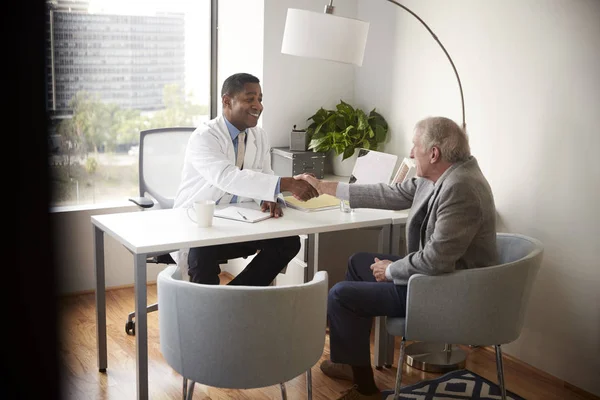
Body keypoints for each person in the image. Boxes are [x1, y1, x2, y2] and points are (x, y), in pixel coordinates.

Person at [295, 116, 497, 399]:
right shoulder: (442, 175)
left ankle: (365, 389)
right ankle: (348, 362)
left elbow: (436, 261)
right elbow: (391, 194)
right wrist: (325, 187)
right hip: (437, 276)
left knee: (342, 296)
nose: (411, 154)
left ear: (434, 153)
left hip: (448, 290)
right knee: (358, 261)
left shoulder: (461, 188)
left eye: (415, 147)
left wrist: (391, 270)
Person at [172, 72, 318, 286]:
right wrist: (285, 183)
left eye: (260, 99)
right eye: (250, 99)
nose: (258, 105)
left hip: (240, 220)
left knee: (287, 242)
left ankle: (236, 298)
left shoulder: (259, 136)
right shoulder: (205, 136)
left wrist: (268, 198)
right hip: (202, 221)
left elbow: (264, 174)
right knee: (200, 254)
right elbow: (226, 176)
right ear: (226, 101)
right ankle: (207, 314)